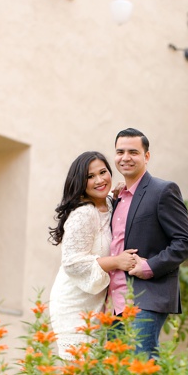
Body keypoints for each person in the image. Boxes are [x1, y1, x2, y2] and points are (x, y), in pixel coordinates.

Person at [109, 128, 188, 359]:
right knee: (115, 371)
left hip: (147, 294)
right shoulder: (118, 197)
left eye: (133, 152)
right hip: (115, 299)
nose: (125, 157)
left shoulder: (163, 190)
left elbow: (185, 241)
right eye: (120, 151)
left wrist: (148, 267)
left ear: (146, 156)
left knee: (142, 365)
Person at [48, 151, 138, 360]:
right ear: (80, 182)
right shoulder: (84, 213)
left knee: (94, 374)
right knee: (79, 373)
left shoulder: (107, 203)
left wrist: (118, 193)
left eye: (103, 172)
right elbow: (72, 263)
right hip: (74, 303)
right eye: (90, 176)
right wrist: (117, 261)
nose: (99, 180)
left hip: (97, 303)